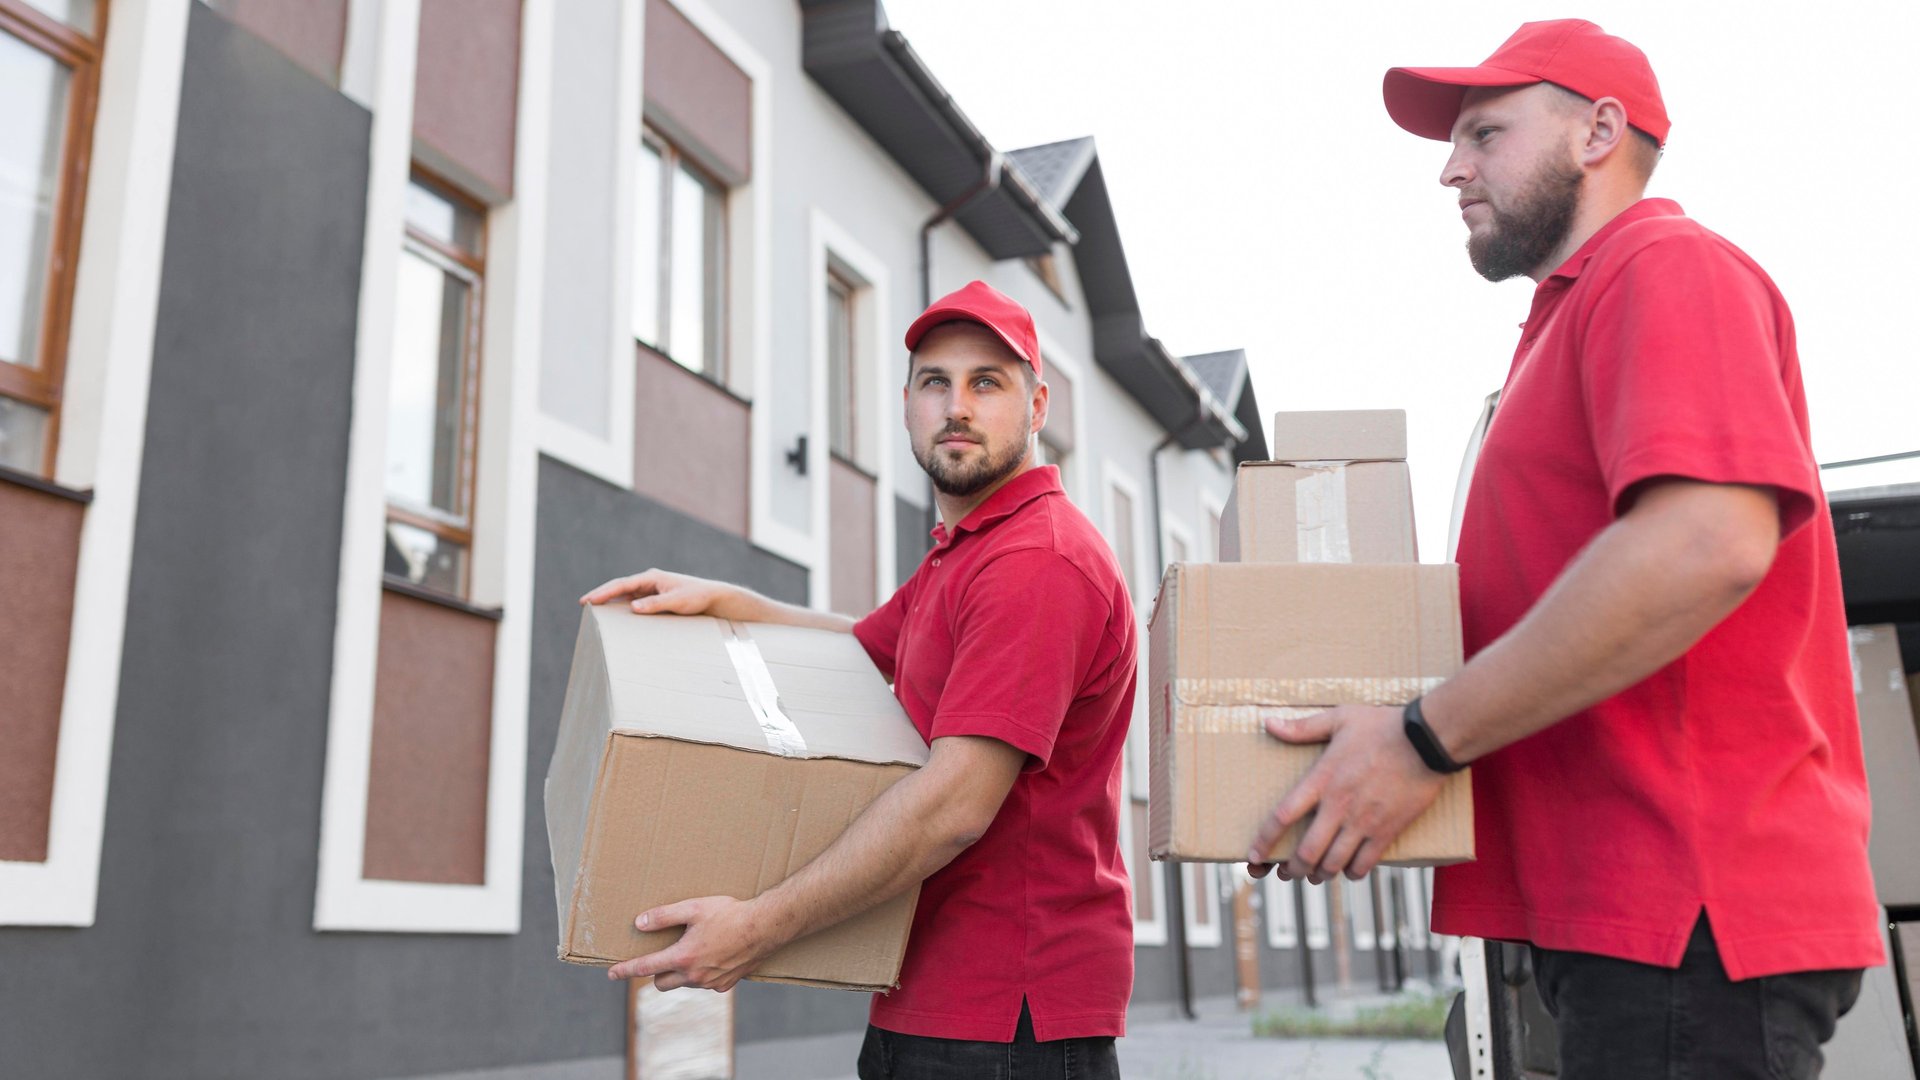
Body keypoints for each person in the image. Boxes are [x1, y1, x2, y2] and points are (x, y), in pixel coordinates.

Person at [1247, 20, 1880, 1078]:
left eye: (1485, 134)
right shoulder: (1566, 324)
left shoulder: (1664, 266)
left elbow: (1706, 542)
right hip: (1629, 929)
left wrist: (1420, 739)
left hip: (1689, 916)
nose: (1451, 169)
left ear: (1598, 132)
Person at [581, 280, 1134, 1079]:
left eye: (988, 382)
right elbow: (867, 646)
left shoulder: (1034, 561)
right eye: (935, 382)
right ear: (907, 403)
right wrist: (732, 602)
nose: (958, 406)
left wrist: (758, 927)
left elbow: (953, 806)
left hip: (1006, 1014)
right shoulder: (969, 550)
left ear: (1038, 405)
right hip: (933, 994)